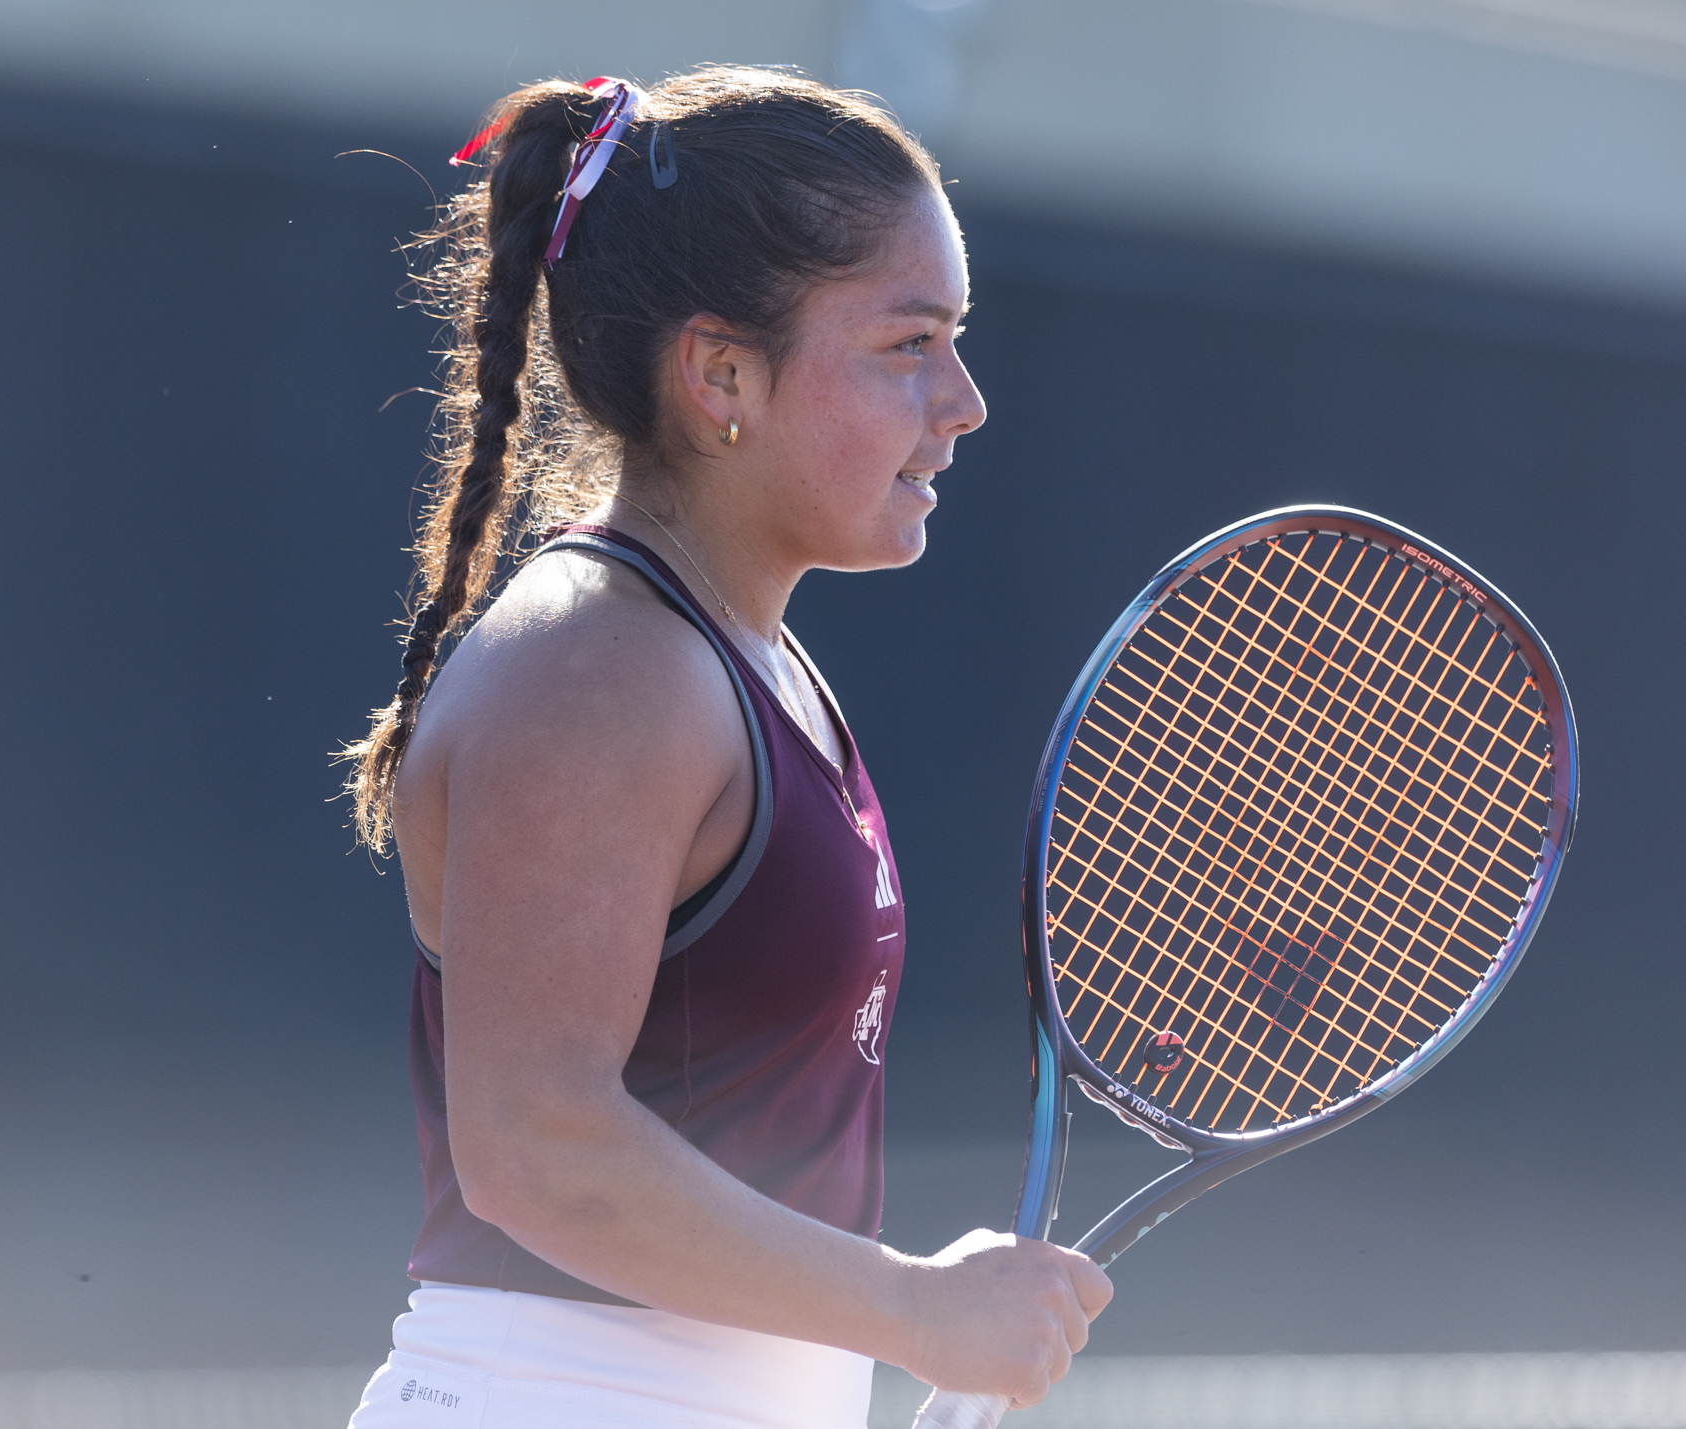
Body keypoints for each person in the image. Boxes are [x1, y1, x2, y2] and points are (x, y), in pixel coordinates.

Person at [340, 67, 1111, 1429]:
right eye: (909, 344)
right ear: (720, 375)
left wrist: (885, 1343)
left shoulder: (736, 661)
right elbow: (535, 1145)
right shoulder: (600, 664)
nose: (965, 399)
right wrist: (914, 1305)